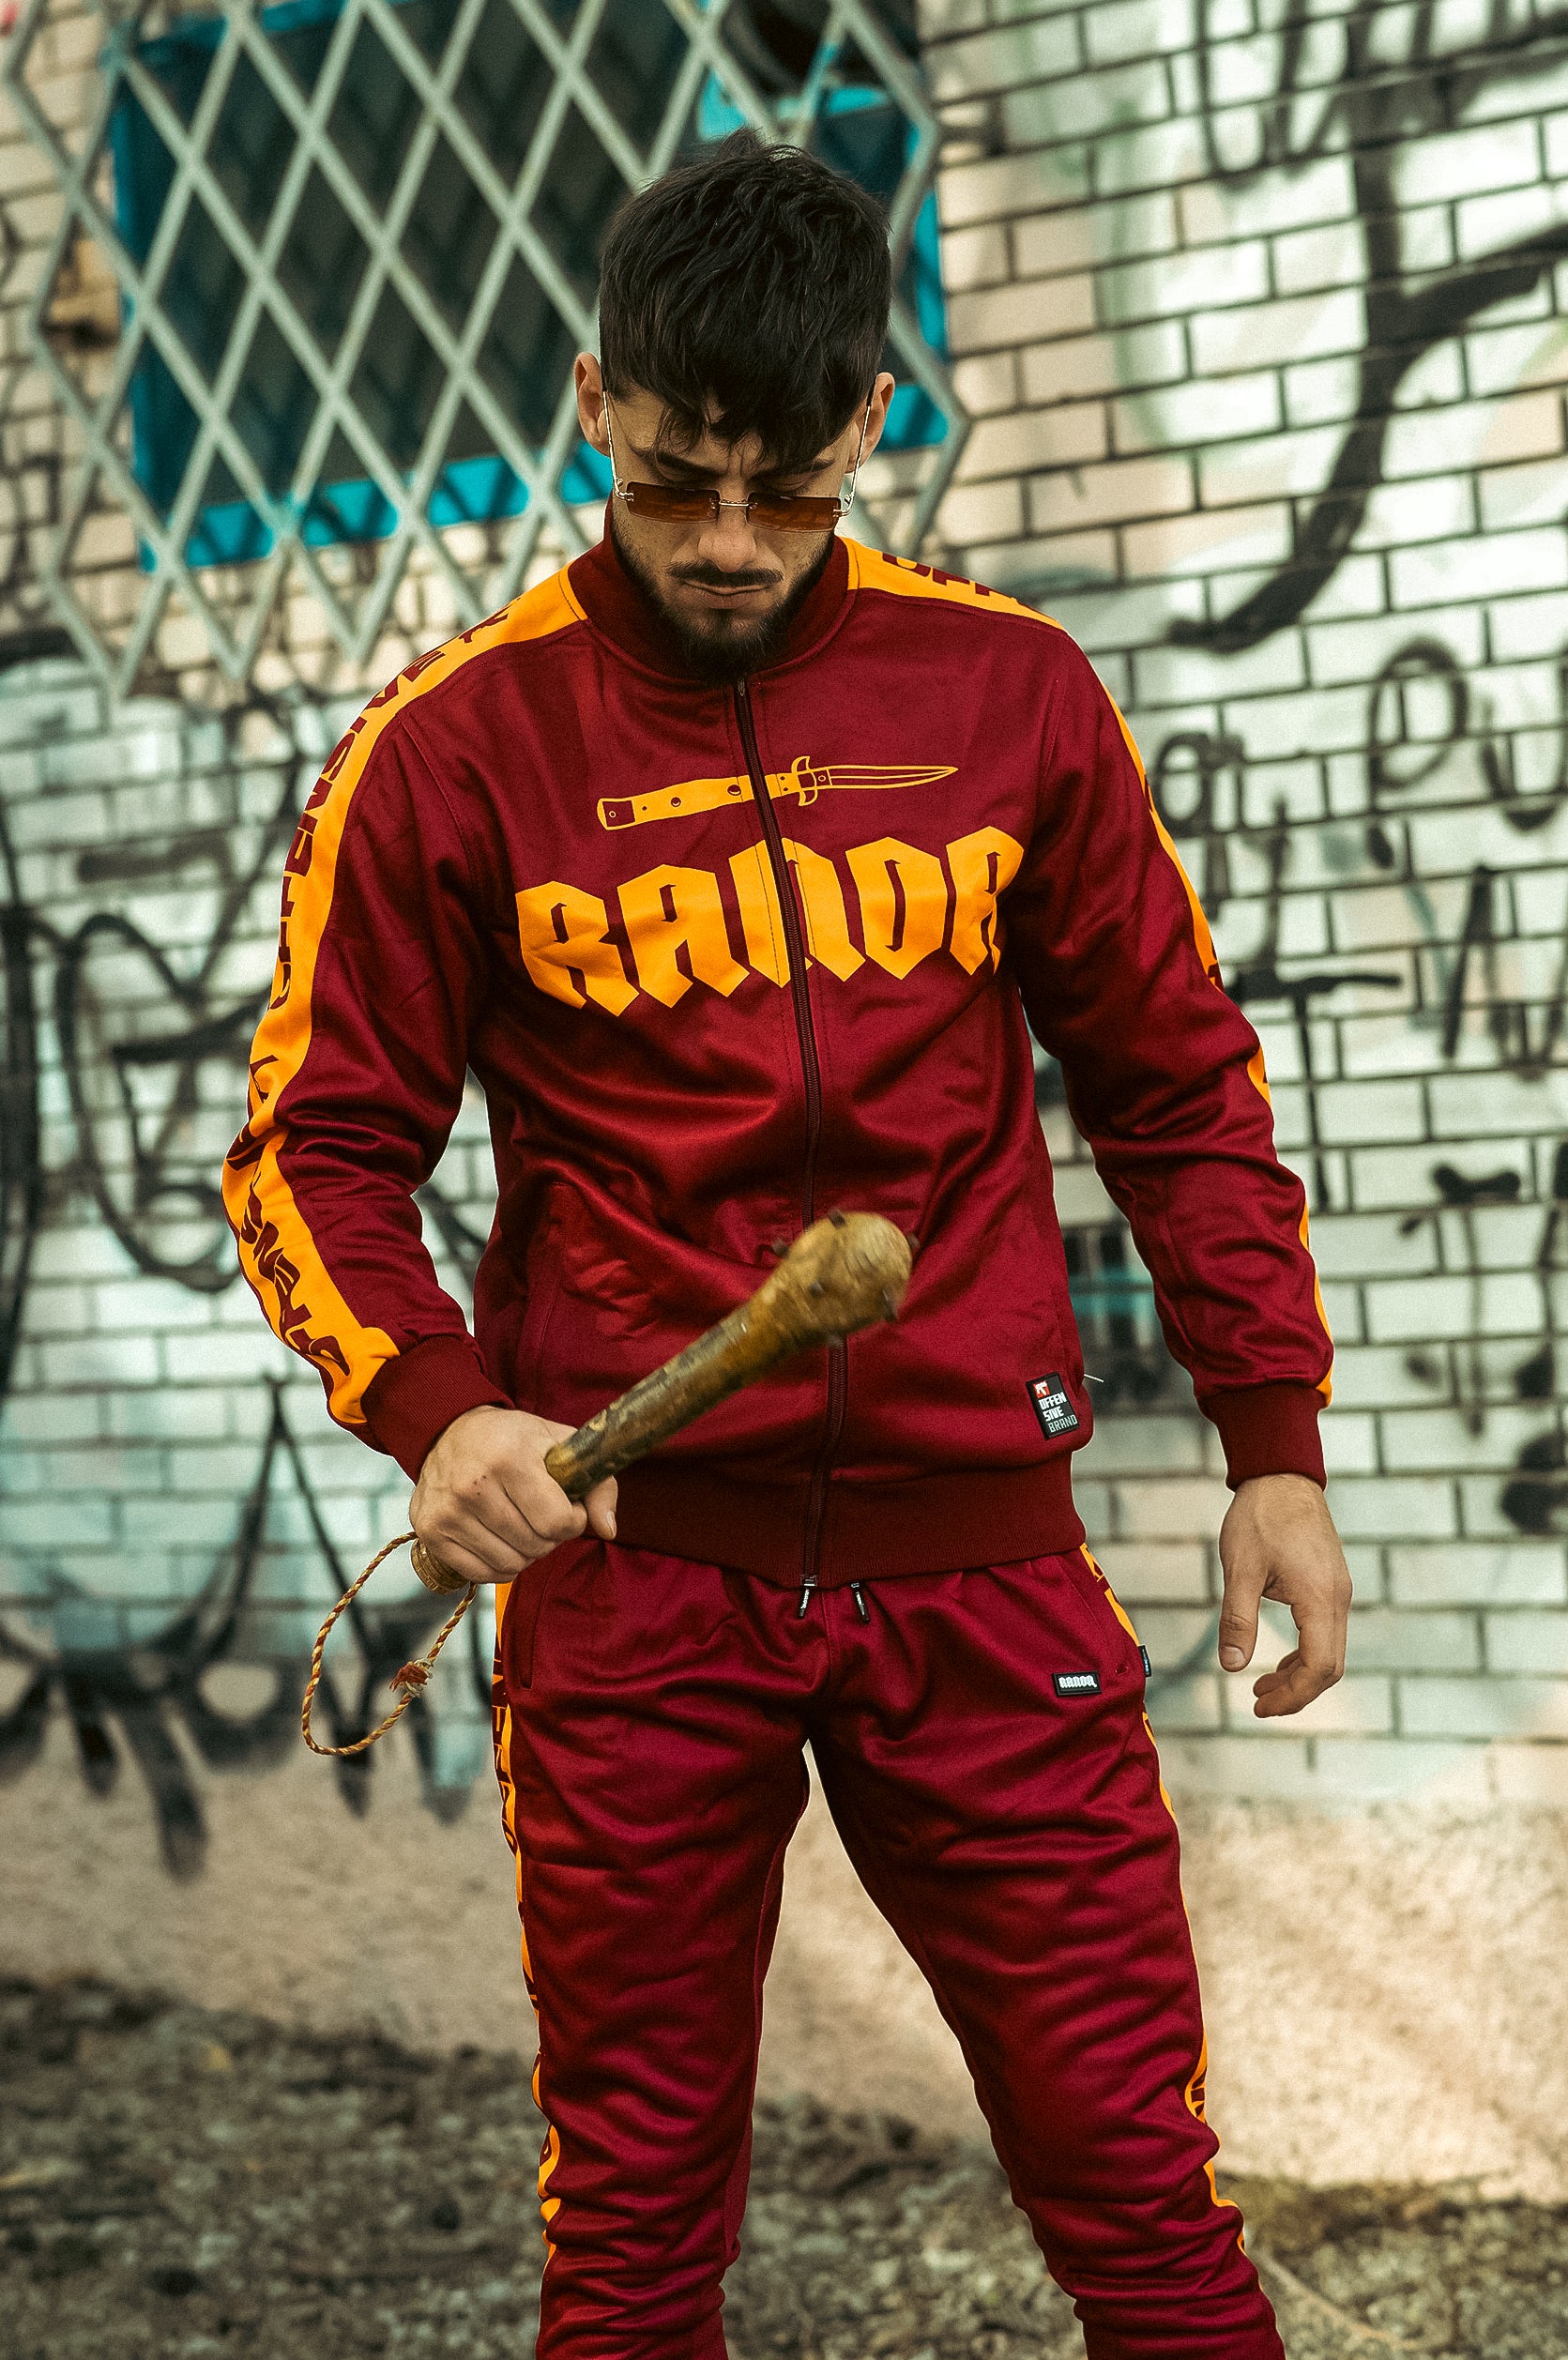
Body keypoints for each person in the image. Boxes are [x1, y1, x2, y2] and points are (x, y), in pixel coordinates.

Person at [224, 129, 1350, 2360]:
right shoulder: (448, 751)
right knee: (631, 2242)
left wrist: (1273, 1446)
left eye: (786, 488)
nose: (727, 543)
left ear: (865, 426)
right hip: (636, 1581)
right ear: (589, 401)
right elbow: (313, 1146)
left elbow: (1177, 1091)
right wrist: (437, 1407)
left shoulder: (1010, 694)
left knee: (1143, 2202)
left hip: (984, 1567)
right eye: (670, 482)